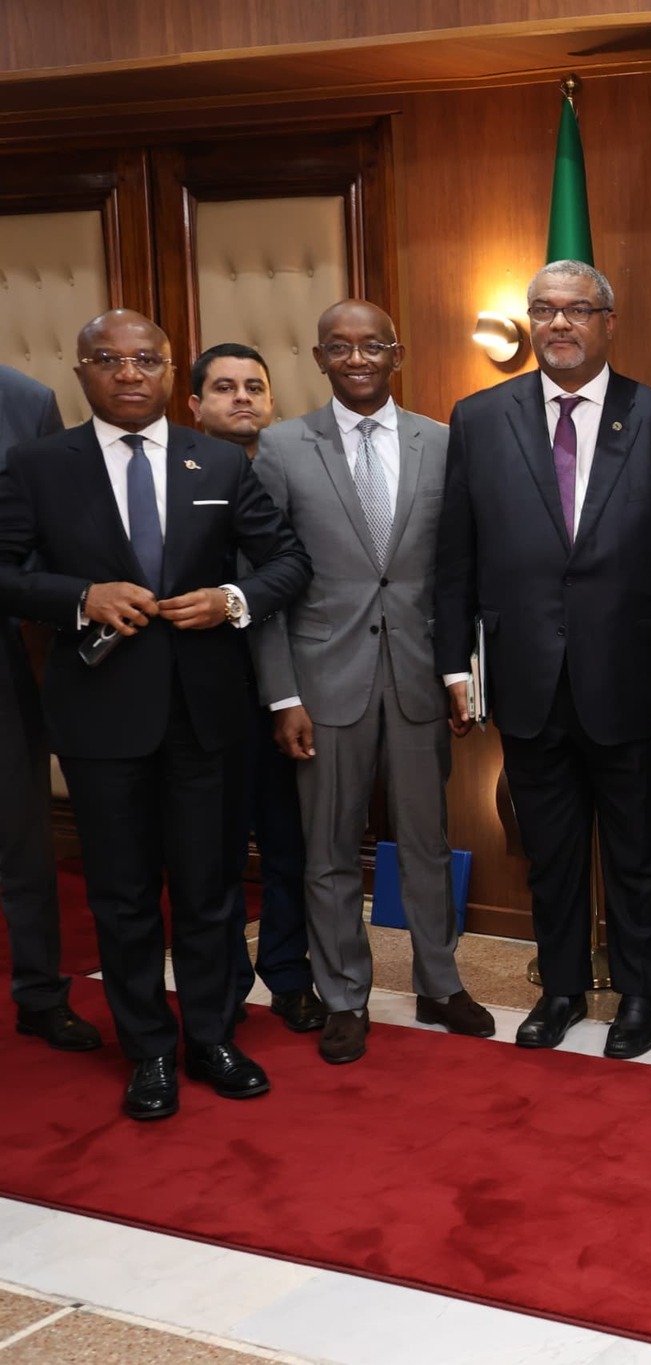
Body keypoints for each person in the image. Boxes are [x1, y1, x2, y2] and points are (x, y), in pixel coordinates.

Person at [0, 311, 310, 1121]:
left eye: (146, 359)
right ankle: (149, 1049)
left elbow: (288, 561)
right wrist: (80, 596)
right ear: (82, 371)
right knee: (123, 893)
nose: (129, 373)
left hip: (205, 713)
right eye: (109, 359)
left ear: (172, 372)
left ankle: (210, 1036)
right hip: (100, 715)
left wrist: (232, 599)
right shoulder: (39, 465)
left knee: (209, 889)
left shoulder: (218, 460)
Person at [435, 261, 651, 1061]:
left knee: (636, 851)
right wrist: (455, 667)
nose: (559, 323)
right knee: (550, 852)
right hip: (526, 679)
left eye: (577, 310)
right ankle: (560, 989)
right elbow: (456, 556)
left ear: (608, 322)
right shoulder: (479, 418)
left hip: (634, 682)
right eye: (544, 310)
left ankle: (638, 993)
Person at [254, 301, 496, 1065]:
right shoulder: (281, 447)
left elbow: (461, 570)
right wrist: (283, 694)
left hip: (421, 675)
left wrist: (463, 672)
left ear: (398, 353)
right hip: (323, 683)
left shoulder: (442, 441)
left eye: (372, 345)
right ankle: (344, 996)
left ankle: (439, 982)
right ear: (318, 357)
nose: (357, 358)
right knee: (329, 847)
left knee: (428, 840)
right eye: (340, 346)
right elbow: (265, 582)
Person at [188, 342, 324, 1036]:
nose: (241, 397)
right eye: (224, 387)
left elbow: (298, 576)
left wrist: (288, 693)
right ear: (195, 405)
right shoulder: (174, 473)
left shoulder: (294, 467)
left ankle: (289, 977)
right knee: (211, 853)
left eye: (253, 387)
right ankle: (225, 986)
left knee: (288, 843)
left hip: (291, 687)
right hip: (200, 690)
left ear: (271, 401)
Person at [0, 362, 96, 1052]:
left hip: (3, 649)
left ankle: (39, 994)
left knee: (22, 835)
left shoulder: (24, 400)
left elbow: (45, 538)